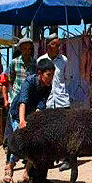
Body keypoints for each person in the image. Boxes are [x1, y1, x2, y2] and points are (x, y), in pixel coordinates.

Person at [3, 58, 55, 183]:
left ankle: (26, 173)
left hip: (30, 115)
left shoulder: (48, 87)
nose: (50, 78)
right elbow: (23, 102)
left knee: (35, 143)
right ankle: (9, 167)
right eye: (48, 75)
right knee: (19, 143)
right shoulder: (28, 82)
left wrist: (37, 118)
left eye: (52, 75)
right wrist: (22, 122)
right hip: (17, 114)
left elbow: (42, 104)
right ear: (39, 73)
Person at [2, 38, 36, 183]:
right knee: (18, 137)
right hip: (16, 104)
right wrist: (7, 98)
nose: (27, 51)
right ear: (21, 49)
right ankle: (9, 168)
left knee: (31, 138)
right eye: (25, 48)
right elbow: (9, 80)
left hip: (29, 105)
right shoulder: (14, 63)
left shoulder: (35, 64)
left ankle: (26, 172)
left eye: (30, 48)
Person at [37, 33, 71, 171]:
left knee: (65, 131)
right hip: (48, 101)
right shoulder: (41, 60)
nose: (57, 47)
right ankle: (50, 158)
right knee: (49, 131)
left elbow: (67, 78)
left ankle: (67, 159)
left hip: (62, 99)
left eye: (59, 45)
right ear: (47, 45)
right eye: (54, 45)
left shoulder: (64, 60)